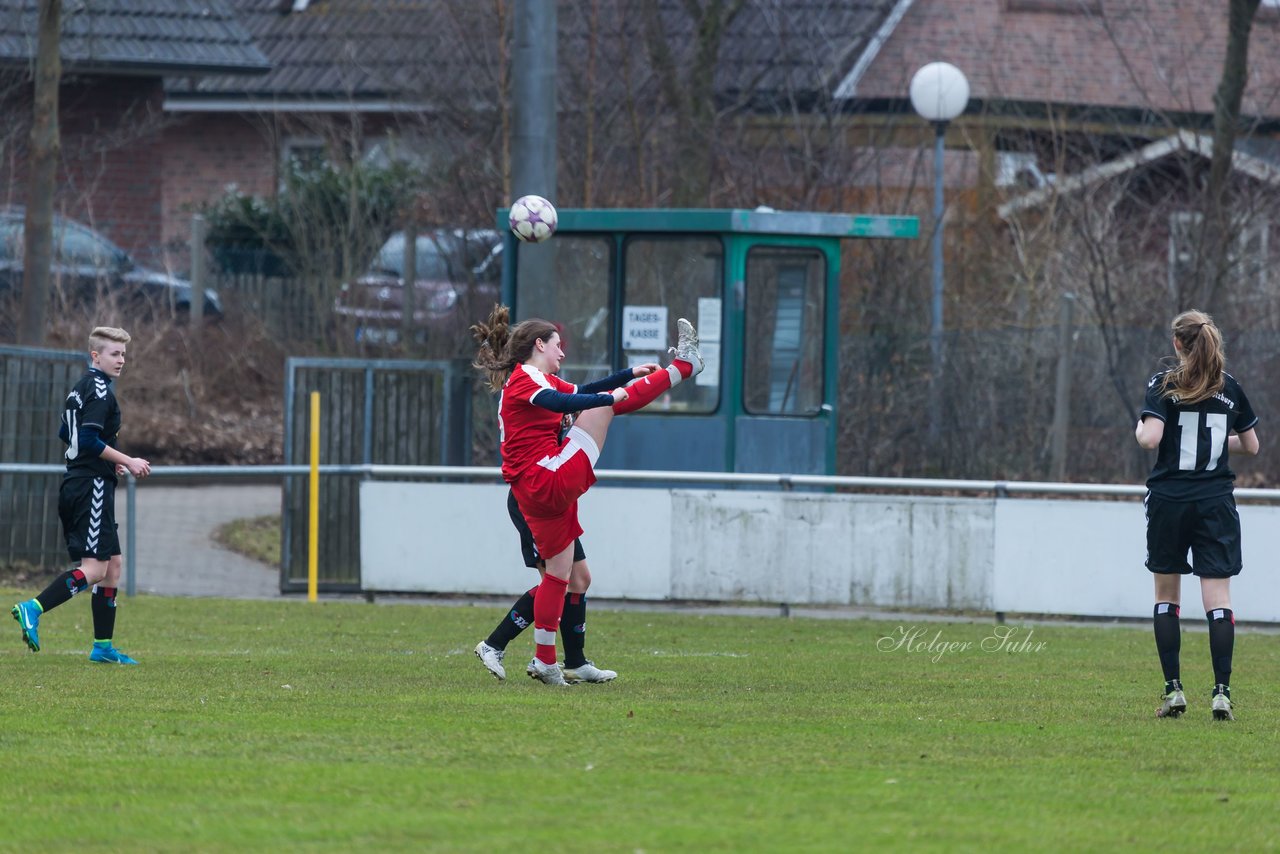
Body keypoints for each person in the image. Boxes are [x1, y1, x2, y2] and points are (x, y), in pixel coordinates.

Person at [471, 305, 702, 685]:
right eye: (558, 345)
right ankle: (685, 367)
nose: (562, 353)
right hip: (543, 480)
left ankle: (564, 661)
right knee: (607, 407)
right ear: (539, 344)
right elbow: (566, 404)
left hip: (540, 483)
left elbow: (580, 392)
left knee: (573, 579)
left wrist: (625, 377)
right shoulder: (526, 379)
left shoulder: (538, 378)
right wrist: (612, 399)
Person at [1135, 310, 1259, 721]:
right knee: (1218, 600)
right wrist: (1217, 441)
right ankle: (1221, 693)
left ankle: (1174, 692)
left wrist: (1140, 430)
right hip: (1215, 503)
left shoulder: (1164, 384)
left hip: (1170, 501)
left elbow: (1150, 437)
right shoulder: (1230, 388)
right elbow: (1251, 446)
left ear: (1177, 344)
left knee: (1166, 597)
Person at [10, 326, 152, 664]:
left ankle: (102, 646)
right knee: (94, 569)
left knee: (113, 565)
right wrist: (127, 460)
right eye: (115, 354)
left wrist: (105, 462)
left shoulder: (80, 388)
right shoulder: (100, 390)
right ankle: (33, 608)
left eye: (123, 354)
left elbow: (66, 432)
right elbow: (86, 441)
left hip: (84, 480)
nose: (121, 360)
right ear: (95, 356)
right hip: (91, 487)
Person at [473, 489, 616, 684]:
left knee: (580, 580)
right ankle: (495, 645)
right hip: (535, 501)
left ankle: (576, 663)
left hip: (558, 504)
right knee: (556, 583)